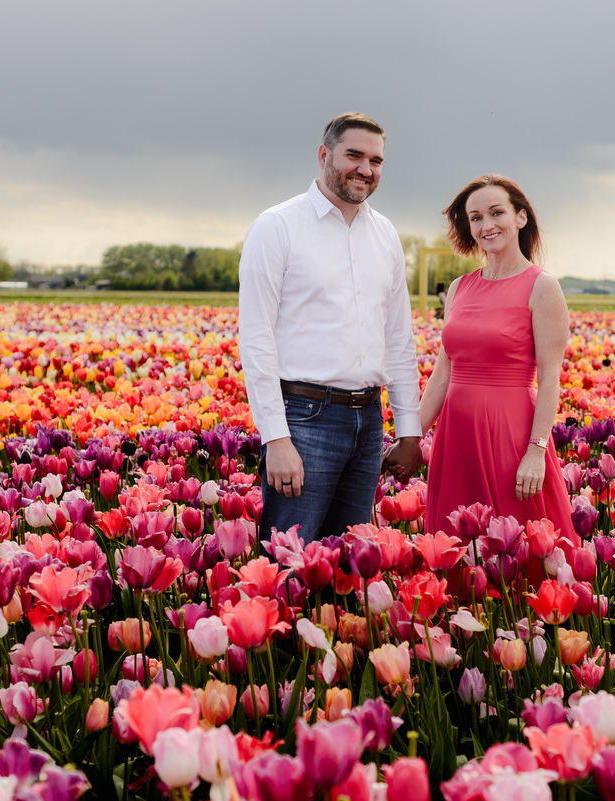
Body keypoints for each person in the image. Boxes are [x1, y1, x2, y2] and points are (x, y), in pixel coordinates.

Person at [238, 112, 423, 541]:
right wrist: (276, 439)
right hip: (305, 418)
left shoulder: (385, 234)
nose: (365, 169)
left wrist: (409, 430)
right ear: (324, 155)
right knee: (291, 556)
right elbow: (257, 340)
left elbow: (398, 338)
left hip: (368, 418)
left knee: (348, 563)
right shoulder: (278, 226)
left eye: (375, 160)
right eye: (353, 155)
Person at [419, 175, 576, 545]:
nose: (486, 225)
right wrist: (410, 438)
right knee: (456, 546)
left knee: (516, 545)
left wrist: (536, 451)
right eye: (475, 217)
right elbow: (443, 373)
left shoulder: (542, 286)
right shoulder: (459, 287)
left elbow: (550, 379)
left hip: (510, 434)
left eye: (496, 212)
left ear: (520, 217)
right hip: (456, 437)